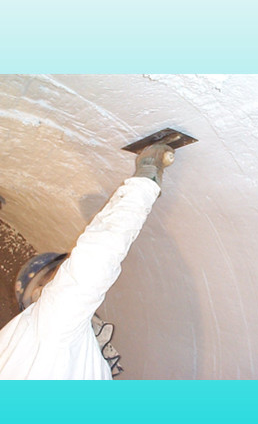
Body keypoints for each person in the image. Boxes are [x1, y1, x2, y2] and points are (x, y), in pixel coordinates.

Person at [0, 143, 175, 380]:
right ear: (37, 295)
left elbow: (86, 272)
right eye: (56, 276)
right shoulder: (49, 332)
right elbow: (92, 262)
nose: (61, 281)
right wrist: (146, 177)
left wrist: (145, 184)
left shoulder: (48, 331)